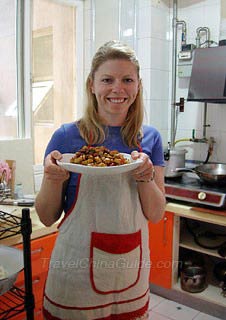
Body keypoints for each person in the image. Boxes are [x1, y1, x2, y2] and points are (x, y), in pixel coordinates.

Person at [35, 40, 166, 320]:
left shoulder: (150, 139)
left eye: (127, 80)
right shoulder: (66, 137)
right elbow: (47, 217)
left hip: (130, 268)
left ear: (138, 86)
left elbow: (155, 214)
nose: (118, 88)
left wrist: (146, 177)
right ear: (91, 85)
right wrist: (51, 178)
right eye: (107, 79)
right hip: (75, 269)